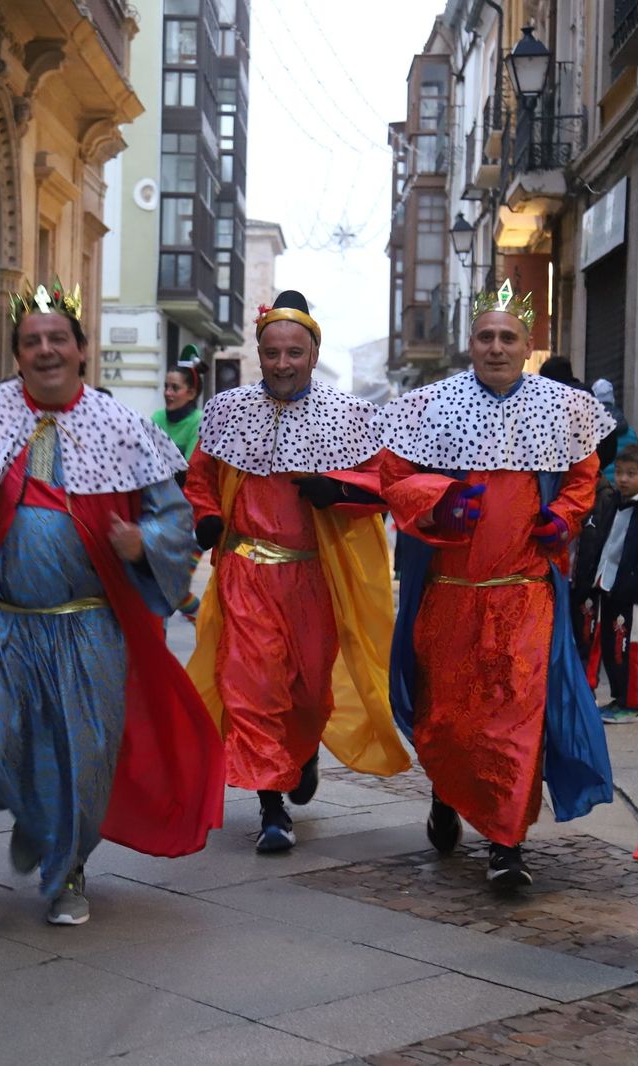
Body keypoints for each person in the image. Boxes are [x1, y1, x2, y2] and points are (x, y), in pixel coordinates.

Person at [0, 279, 222, 926]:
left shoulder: (122, 427)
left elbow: (175, 519)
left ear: (81, 349)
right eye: (31, 341)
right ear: (16, 354)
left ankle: (68, 866)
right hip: (0, 622)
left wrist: (143, 542)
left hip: (89, 624)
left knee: (85, 755)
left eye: (57, 339)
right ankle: (38, 814)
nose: (45, 351)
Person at [376, 281, 616, 888]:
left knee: (516, 723)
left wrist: (563, 516)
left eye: (509, 337)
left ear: (528, 344)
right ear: (470, 343)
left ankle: (507, 844)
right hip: (450, 594)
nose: (497, 347)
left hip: (526, 593)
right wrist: (439, 502)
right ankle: (447, 790)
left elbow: (584, 479)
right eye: (486, 336)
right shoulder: (429, 404)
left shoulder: (563, 408)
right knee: (451, 719)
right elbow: (395, 478)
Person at [184, 291, 408, 854]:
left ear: (312, 354)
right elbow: (201, 479)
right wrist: (208, 519)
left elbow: (389, 482)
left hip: (314, 578)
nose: (283, 363)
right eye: (273, 352)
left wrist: (340, 489)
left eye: (295, 353)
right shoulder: (226, 411)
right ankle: (270, 807)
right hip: (246, 573)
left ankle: (301, 753)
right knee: (252, 690)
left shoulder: (350, 416)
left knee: (308, 693)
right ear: (260, 354)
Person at [572, 443, 638, 724]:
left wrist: (634, 577)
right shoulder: (612, 502)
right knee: (611, 647)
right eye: (619, 472)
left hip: (634, 592)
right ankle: (619, 698)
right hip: (609, 586)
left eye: (631, 473)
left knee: (630, 648)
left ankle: (632, 705)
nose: (623, 479)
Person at [153, 353, 207, 619]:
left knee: (173, 587)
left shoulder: (199, 421)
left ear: (191, 392)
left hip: (189, 519)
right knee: (162, 586)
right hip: (156, 515)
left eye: (175, 387)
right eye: (166, 386)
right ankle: (205, 626)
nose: (168, 392)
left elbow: (189, 473)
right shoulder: (156, 418)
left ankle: (207, 627)